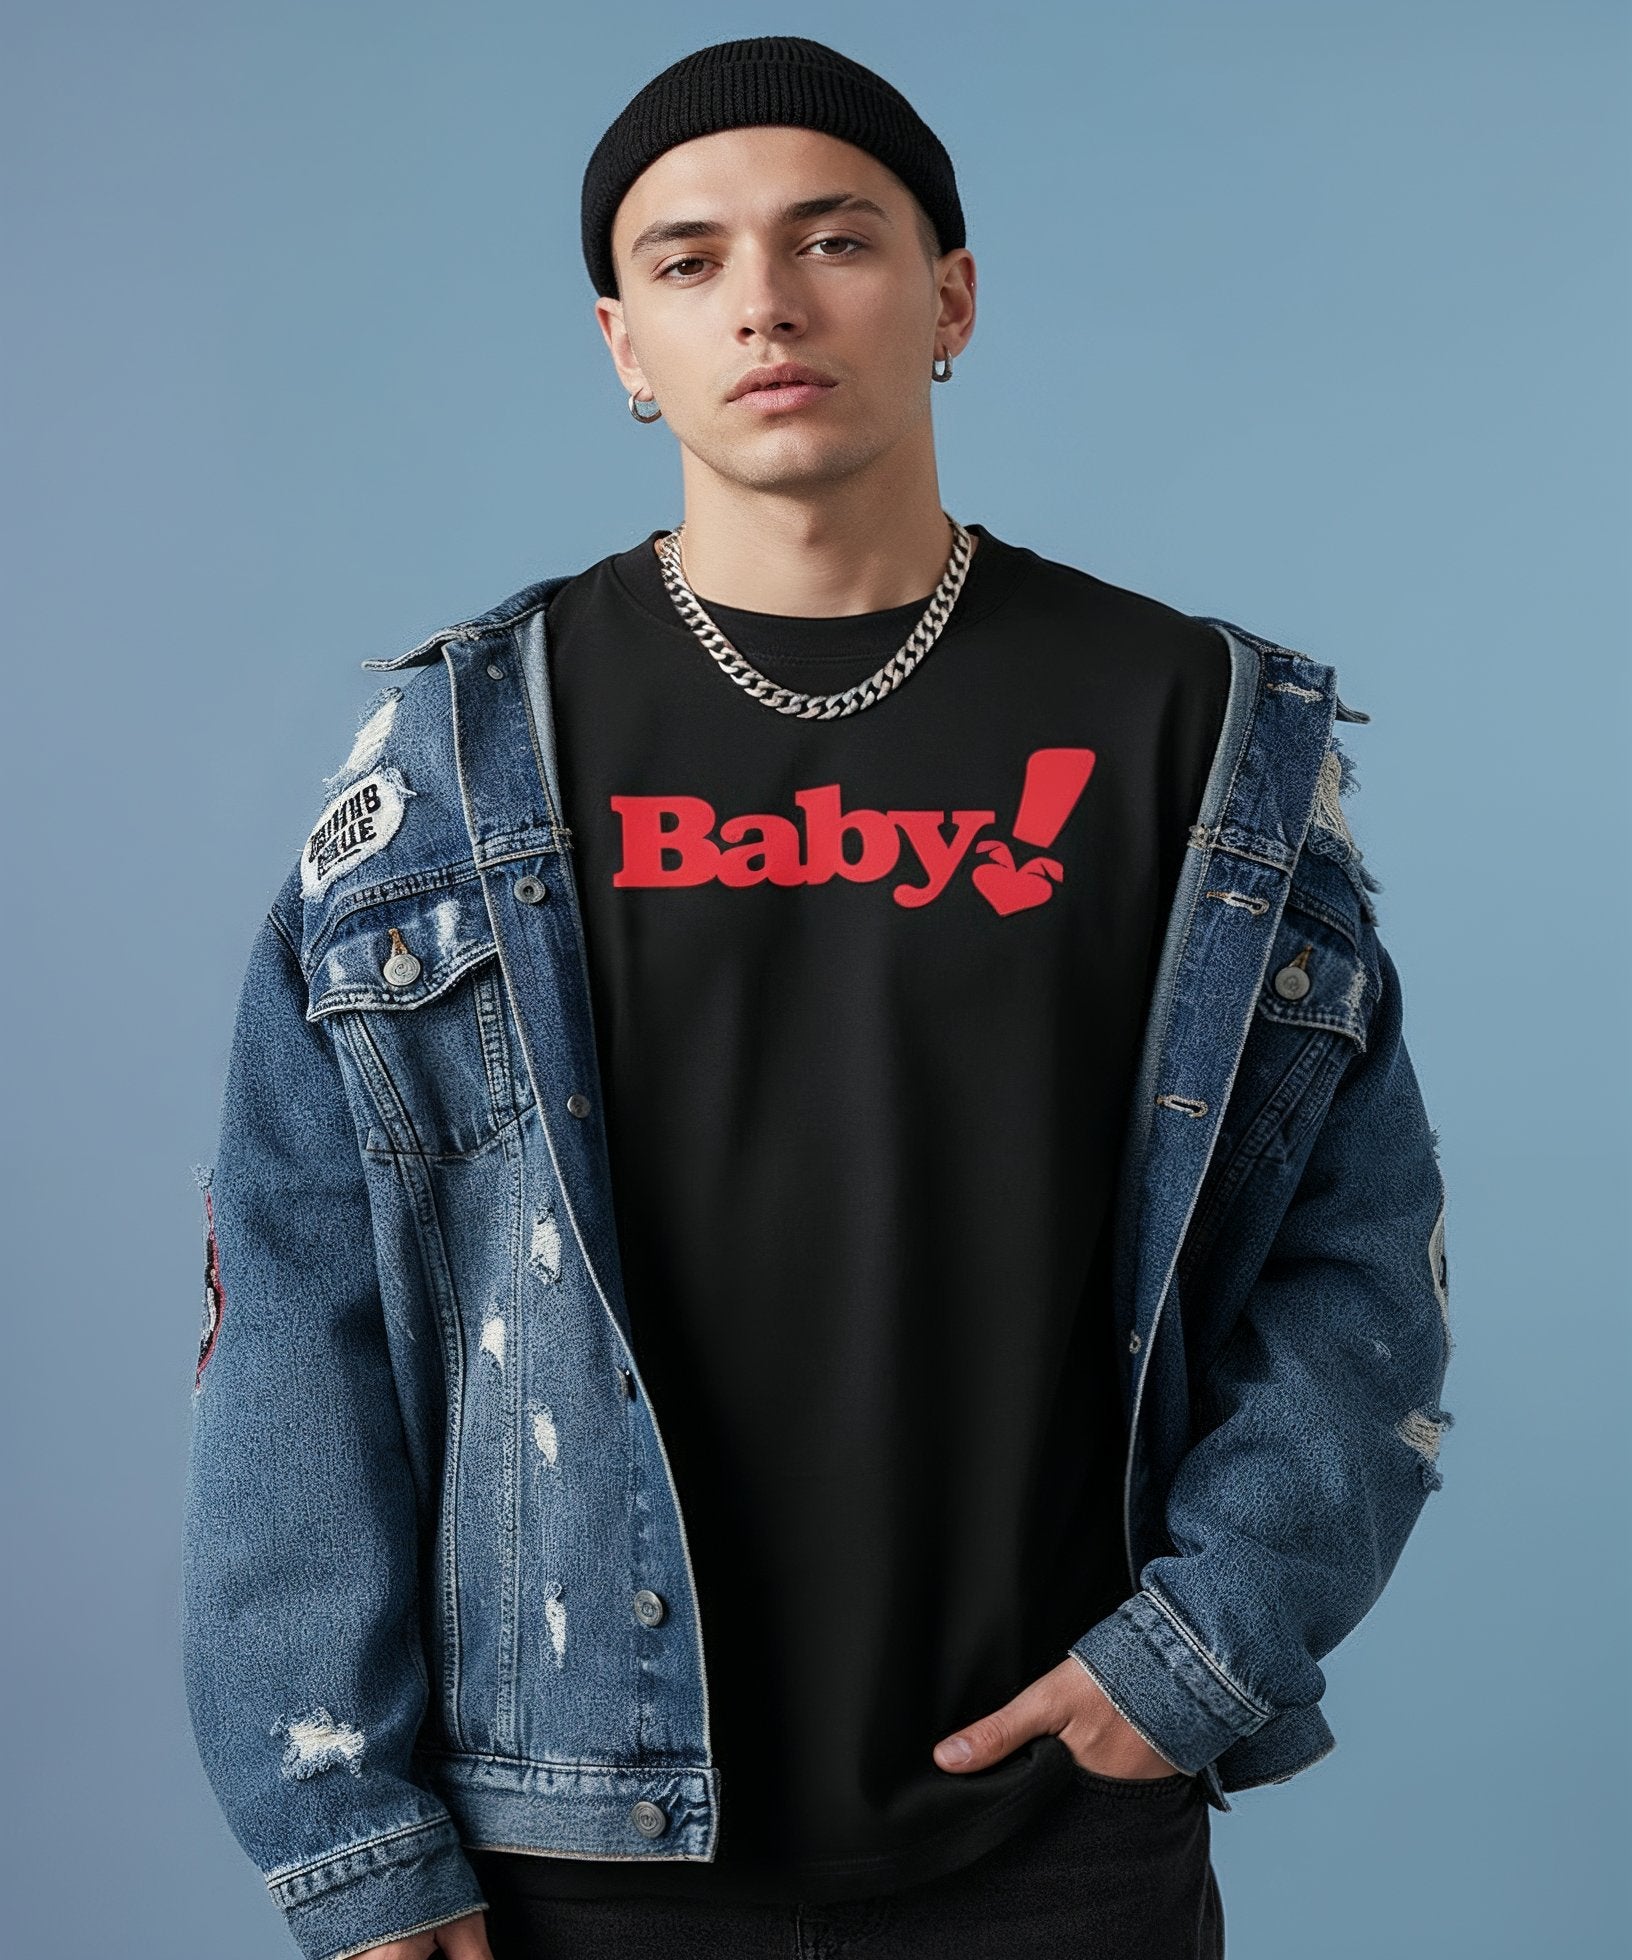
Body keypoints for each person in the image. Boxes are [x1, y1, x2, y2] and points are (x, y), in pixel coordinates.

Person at [181, 35, 1454, 1960]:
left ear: (949, 297)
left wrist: (1196, 1655)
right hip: (565, 1848)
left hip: (1052, 1832)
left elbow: (1358, 1251)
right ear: (623, 343)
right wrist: (344, 1819)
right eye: (687, 262)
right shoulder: (457, 755)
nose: (764, 303)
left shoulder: (1189, 727)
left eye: (832, 238)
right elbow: (300, 1301)